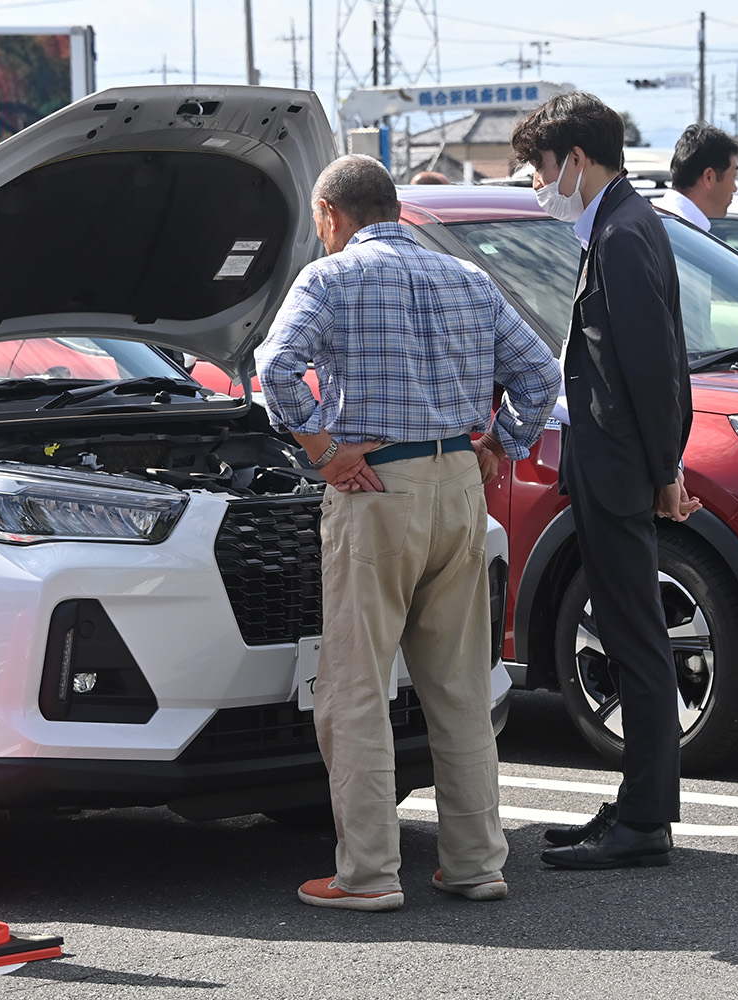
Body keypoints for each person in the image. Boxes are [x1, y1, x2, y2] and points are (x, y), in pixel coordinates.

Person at [255, 154, 560, 911]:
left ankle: (366, 874)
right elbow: (540, 375)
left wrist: (323, 450)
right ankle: (476, 863)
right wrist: (498, 445)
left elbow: (276, 366)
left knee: (357, 690)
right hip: (459, 487)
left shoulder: (329, 279)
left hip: (377, 488)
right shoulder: (469, 280)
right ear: (393, 207)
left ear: (331, 216)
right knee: (457, 686)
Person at [509, 92, 700, 870]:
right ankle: (634, 806)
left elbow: (654, 370)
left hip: (623, 471)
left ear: (577, 162)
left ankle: (644, 822)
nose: (534, 184)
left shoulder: (622, 233)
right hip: (617, 465)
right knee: (630, 635)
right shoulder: (622, 224)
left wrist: (663, 471)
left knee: (634, 639)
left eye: (539, 168)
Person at [658, 124, 738, 231]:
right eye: (733, 177)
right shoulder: (678, 233)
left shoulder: (660, 221)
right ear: (709, 177)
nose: (735, 188)